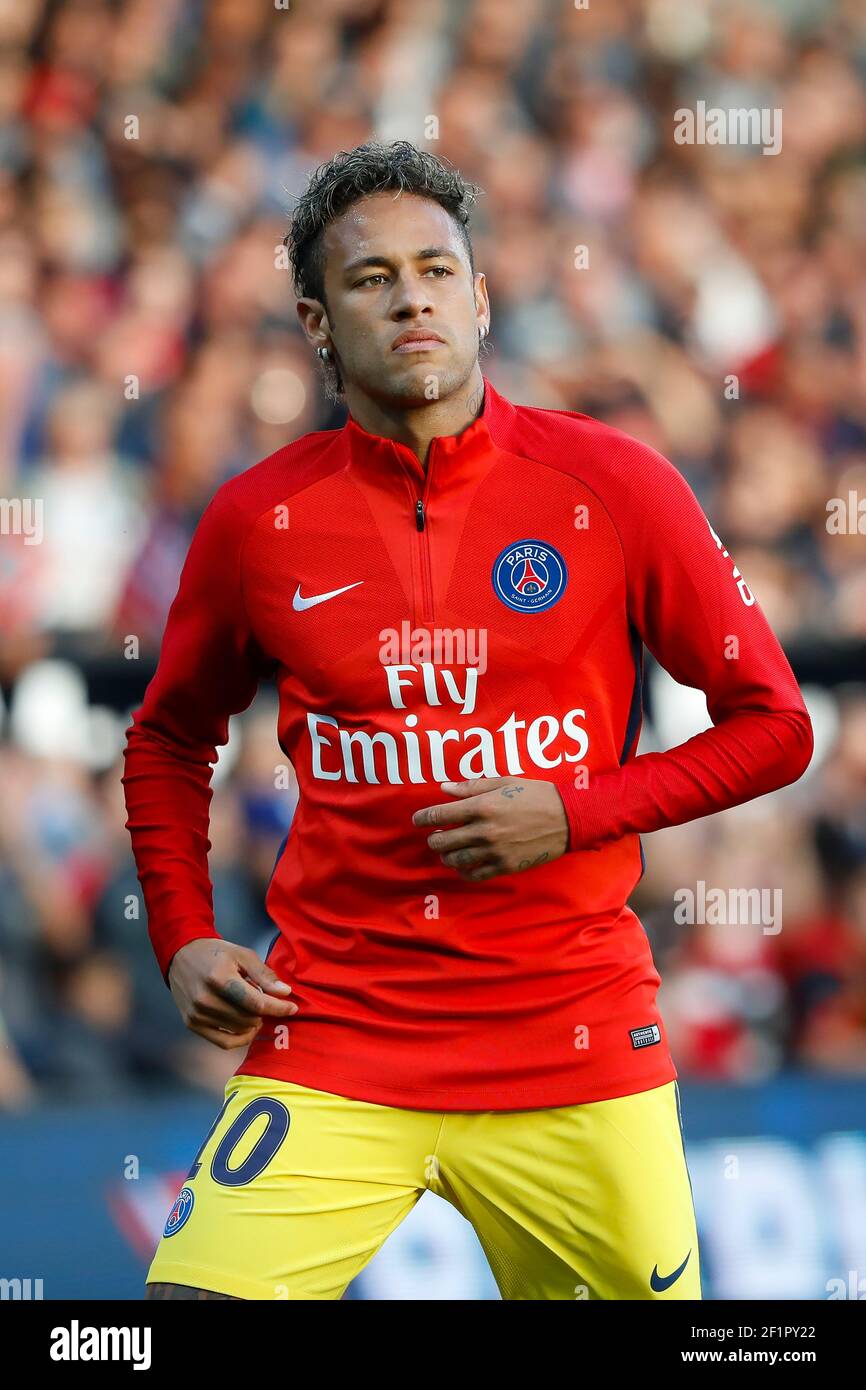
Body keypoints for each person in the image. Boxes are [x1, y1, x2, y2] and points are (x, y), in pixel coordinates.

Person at [123, 140, 813, 1301]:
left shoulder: (615, 486)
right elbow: (166, 737)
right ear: (315, 320)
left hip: (573, 1037)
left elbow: (774, 723)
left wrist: (577, 810)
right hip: (337, 1034)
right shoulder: (257, 521)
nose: (410, 300)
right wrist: (180, 930)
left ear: (481, 297)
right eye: (370, 278)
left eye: (436, 270)